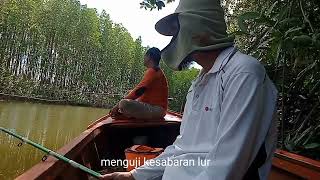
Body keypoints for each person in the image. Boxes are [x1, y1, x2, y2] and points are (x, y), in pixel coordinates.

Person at [101, 0, 278, 179]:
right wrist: (133, 176)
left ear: (197, 28)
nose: (173, 41)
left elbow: (225, 169)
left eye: (176, 31)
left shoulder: (243, 73)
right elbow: (181, 150)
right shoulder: (198, 84)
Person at [110, 47, 168, 120]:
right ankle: (127, 115)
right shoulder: (156, 71)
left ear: (149, 56)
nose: (144, 58)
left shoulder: (153, 71)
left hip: (157, 110)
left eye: (145, 56)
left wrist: (117, 106)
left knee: (123, 103)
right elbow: (140, 90)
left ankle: (125, 116)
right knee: (129, 94)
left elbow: (138, 91)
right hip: (156, 109)